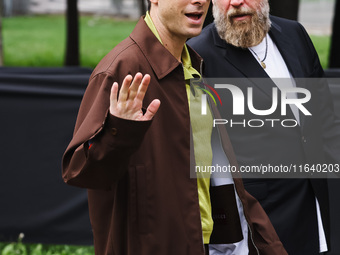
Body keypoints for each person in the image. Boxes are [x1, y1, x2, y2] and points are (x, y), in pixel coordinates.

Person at [62, 0, 288, 254]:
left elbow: (217, 171)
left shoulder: (192, 64)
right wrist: (119, 130)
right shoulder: (122, 68)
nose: (199, 1)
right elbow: (78, 171)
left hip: (209, 242)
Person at [188, 0, 340, 254]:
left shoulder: (294, 34)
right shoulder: (199, 55)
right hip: (260, 218)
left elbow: (322, 118)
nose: (236, 2)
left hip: (317, 201)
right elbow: (203, 153)